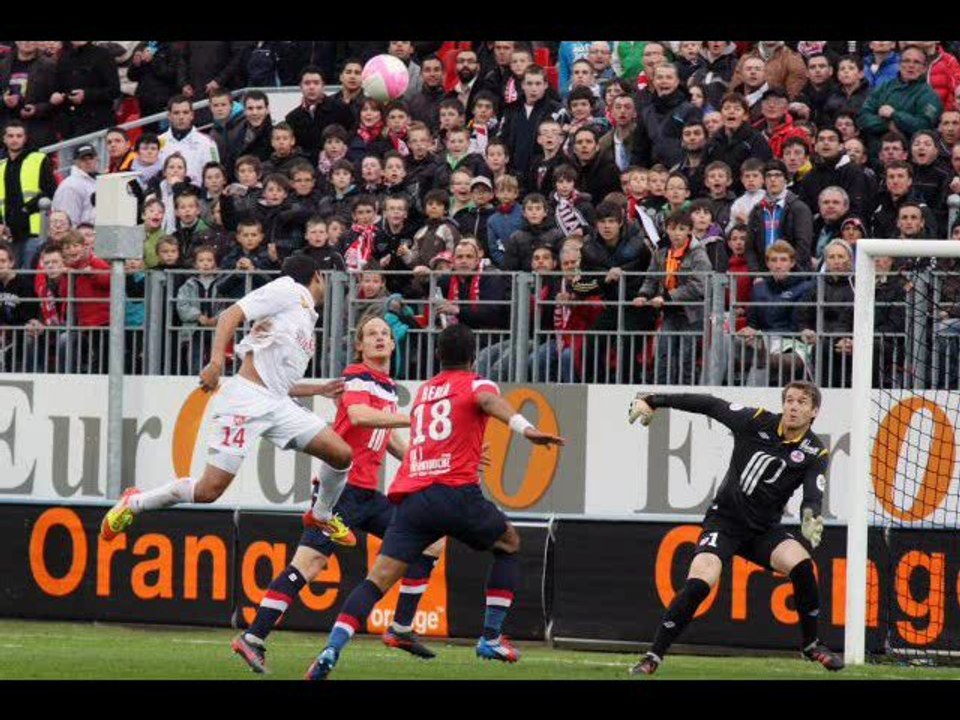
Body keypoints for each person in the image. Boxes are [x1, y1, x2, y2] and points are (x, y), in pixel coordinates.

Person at [305, 322, 564, 680]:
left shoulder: (425, 391)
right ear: (474, 357)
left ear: (438, 355)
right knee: (509, 542)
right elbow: (489, 402)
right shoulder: (477, 384)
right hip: (456, 492)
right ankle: (489, 637)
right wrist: (527, 429)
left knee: (377, 580)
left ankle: (333, 647)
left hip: (413, 497)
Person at [233, 316, 445, 673]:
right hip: (340, 494)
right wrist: (418, 419)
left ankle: (401, 628)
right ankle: (253, 638)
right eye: (371, 334)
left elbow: (388, 439)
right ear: (360, 346)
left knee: (431, 540)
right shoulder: (357, 377)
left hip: (367, 495)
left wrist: (429, 461)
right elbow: (361, 416)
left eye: (385, 334)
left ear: (393, 345)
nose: (379, 338)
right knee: (309, 565)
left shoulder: (387, 386)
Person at [99, 255, 358, 547]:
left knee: (340, 454)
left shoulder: (305, 314)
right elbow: (230, 315)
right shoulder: (289, 289)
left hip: (277, 403)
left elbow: (277, 381)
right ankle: (134, 503)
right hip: (246, 402)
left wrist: (318, 390)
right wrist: (216, 362)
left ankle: (320, 515)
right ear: (319, 276)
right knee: (208, 491)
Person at [627, 382, 843, 675]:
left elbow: (813, 494)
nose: (793, 406)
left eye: (802, 402)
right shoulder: (756, 421)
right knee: (700, 581)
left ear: (814, 411)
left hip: (763, 531)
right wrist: (653, 399)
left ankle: (811, 645)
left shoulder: (815, 451)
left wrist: (810, 515)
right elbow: (709, 404)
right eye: (789, 400)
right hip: (724, 522)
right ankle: (653, 656)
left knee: (802, 565)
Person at [859, 46, 943, 159]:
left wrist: (894, 114)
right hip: (875, 154)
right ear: (899, 64)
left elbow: (923, 126)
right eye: (906, 61)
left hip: (908, 157)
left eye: (916, 62)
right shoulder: (884, 87)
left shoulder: (929, 95)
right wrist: (888, 124)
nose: (911, 65)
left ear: (924, 68)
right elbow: (863, 117)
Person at [0, 121, 57, 268]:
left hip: (34, 229)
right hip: (9, 232)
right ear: (4, 139)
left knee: (29, 274)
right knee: (12, 276)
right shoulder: (1, 165)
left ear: (25, 138)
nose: (14, 139)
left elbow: (50, 191)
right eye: (10, 136)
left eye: (19, 136)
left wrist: (26, 210)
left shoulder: (38, 158)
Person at [285, 66, 355, 163]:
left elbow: (350, 137)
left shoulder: (341, 110)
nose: (311, 87)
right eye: (307, 83)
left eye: (316, 83)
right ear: (300, 86)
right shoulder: (292, 118)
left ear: (323, 85)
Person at [159, 95, 221, 185]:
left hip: (196, 196)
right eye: (176, 113)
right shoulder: (158, 142)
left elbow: (215, 174)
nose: (181, 117)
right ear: (169, 116)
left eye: (185, 112)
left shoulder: (207, 143)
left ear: (192, 115)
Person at [51, 143, 98, 227]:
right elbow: (68, 221)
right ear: (76, 162)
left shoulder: (97, 180)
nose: (88, 162)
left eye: (90, 158)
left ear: (96, 159)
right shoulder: (71, 186)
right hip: (80, 238)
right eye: (83, 159)